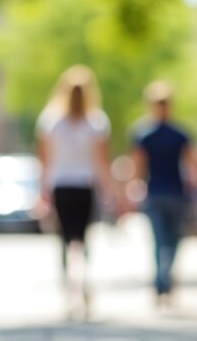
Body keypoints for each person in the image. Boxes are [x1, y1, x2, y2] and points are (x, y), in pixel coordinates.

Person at [36, 65, 126, 317]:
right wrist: (111, 192)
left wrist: (41, 190)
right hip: (85, 186)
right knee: (84, 239)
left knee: (64, 240)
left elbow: (44, 160)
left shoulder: (51, 121)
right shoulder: (96, 122)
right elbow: (101, 162)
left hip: (61, 186)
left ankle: (69, 291)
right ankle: (84, 282)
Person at [129, 80, 197, 308]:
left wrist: (132, 189)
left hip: (161, 193)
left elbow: (137, 167)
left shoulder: (145, 134)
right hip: (171, 193)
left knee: (163, 240)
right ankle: (164, 280)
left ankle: (162, 281)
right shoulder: (177, 134)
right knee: (171, 240)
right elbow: (196, 165)